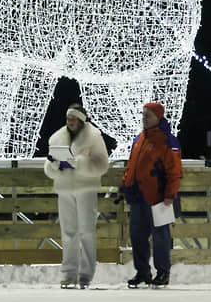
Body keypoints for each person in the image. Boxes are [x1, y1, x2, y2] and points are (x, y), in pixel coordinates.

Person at [43, 104, 110, 289]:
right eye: (68, 119)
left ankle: (86, 274)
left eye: (73, 119)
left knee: (87, 231)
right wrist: (54, 165)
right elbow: (49, 167)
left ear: (81, 121)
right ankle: (69, 273)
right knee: (68, 232)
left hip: (86, 188)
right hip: (64, 188)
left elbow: (102, 164)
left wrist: (79, 163)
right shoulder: (57, 138)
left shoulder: (94, 137)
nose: (70, 122)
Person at [120, 102, 183, 288]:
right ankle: (142, 271)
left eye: (148, 114)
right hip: (138, 196)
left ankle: (163, 272)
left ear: (158, 116)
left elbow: (175, 171)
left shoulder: (168, 141)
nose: (144, 117)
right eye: (143, 114)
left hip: (159, 197)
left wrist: (170, 194)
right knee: (137, 235)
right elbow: (132, 165)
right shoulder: (139, 138)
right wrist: (125, 184)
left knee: (160, 236)